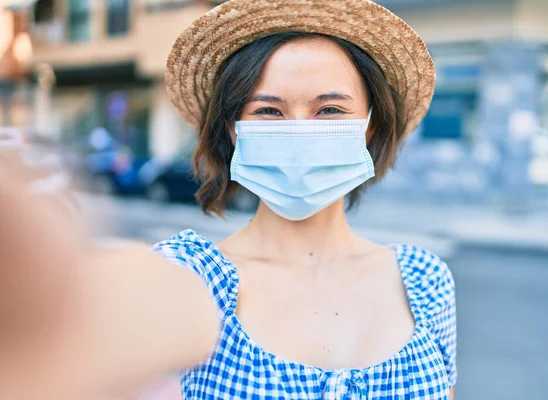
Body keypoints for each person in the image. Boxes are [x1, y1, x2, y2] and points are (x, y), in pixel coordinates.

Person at [0, 0, 456, 399]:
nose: (297, 131)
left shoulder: (426, 281)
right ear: (235, 130)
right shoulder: (192, 276)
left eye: (330, 110)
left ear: (370, 125)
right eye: (269, 111)